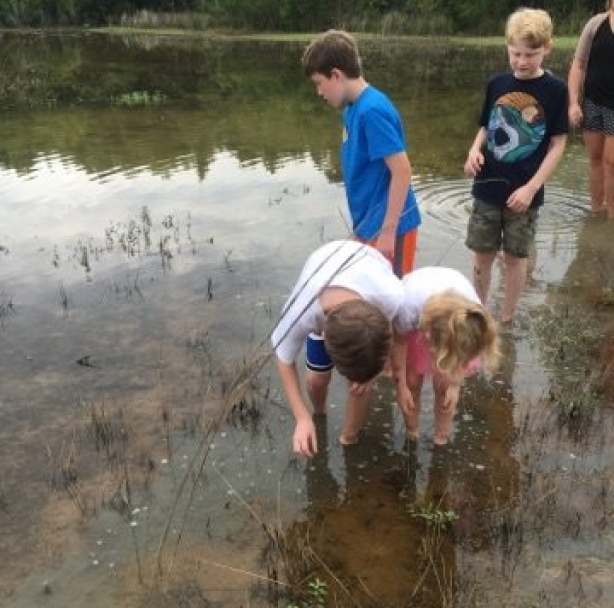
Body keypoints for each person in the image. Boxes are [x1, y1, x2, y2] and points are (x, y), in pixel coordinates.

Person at [463, 8, 569, 323]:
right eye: (516, 53)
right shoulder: (497, 83)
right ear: (507, 46)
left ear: (547, 48)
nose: (522, 61)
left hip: (525, 193)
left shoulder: (556, 91)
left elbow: (558, 144)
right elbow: (485, 126)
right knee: (482, 254)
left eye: (531, 54)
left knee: (515, 257)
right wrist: (473, 151)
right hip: (486, 187)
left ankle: (507, 318)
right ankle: (478, 314)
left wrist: (532, 187)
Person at [271, 240, 412, 457]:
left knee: (361, 386)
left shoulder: (391, 295)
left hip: (368, 269)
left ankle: (349, 438)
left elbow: (390, 334)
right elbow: (284, 360)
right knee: (316, 380)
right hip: (324, 269)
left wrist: (368, 378)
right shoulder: (301, 313)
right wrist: (301, 416)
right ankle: (319, 413)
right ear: (324, 335)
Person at [301, 30, 421, 277]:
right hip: (369, 224)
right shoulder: (353, 108)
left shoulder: (372, 111)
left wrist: (388, 231)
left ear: (336, 75)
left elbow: (402, 170)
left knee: (393, 301)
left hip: (391, 229)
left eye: (319, 83)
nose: (319, 92)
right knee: (369, 301)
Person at [397, 267, 499, 446]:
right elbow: (399, 340)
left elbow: (464, 355)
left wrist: (455, 384)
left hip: (451, 326)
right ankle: (412, 432)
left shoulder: (474, 319)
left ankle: (441, 437)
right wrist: (401, 384)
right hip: (415, 322)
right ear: (427, 335)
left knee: (445, 388)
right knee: (411, 382)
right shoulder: (407, 306)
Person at [568, 1, 614, 219]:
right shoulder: (596, 24)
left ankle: (612, 221)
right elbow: (578, 65)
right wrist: (574, 102)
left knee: (611, 163)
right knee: (595, 159)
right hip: (593, 103)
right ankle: (596, 213)